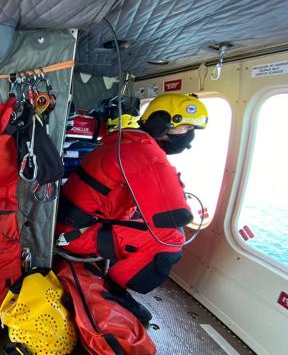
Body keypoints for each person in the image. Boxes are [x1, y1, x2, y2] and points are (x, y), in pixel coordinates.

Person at [55, 93, 208, 324]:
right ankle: (113, 290)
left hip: (75, 222)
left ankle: (111, 281)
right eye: (185, 127)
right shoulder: (145, 153)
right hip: (74, 235)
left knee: (152, 226)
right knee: (170, 240)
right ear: (160, 124)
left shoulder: (124, 141)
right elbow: (174, 215)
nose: (189, 138)